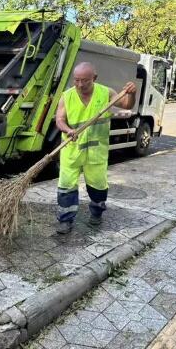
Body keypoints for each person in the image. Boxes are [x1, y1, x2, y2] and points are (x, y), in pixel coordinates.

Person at [55, 62, 137, 234]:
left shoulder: (106, 93)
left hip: (96, 153)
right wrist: (68, 130)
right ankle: (65, 220)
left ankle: (97, 214)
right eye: (76, 80)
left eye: (84, 81)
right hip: (72, 152)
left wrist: (132, 93)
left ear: (95, 78)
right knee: (66, 187)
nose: (80, 85)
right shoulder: (67, 96)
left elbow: (127, 105)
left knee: (98, 187)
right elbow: (59, 120)